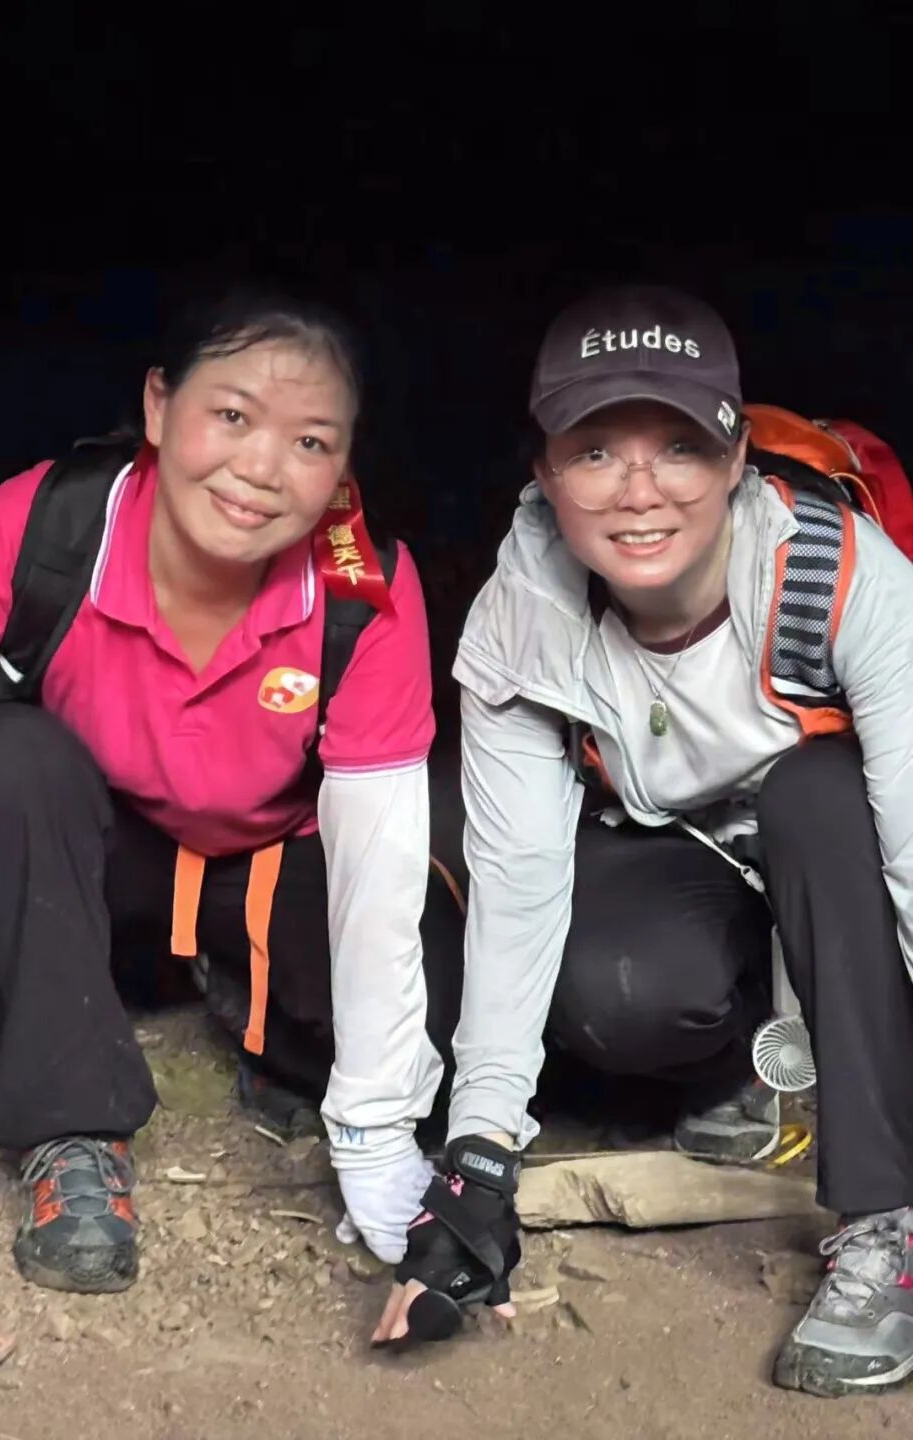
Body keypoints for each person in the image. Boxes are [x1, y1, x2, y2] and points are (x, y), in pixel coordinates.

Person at [0, 290, 464, 1294]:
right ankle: (74, 1129)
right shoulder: (52, 523)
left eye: (310, 441)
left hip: (272, 867)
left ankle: (244, 1007)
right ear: (160, 407)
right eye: (232, 416)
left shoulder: (362, 589)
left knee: (431, 1023)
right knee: (7, 755)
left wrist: (377, 1126)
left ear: (344, 464)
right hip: (102, 863)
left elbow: (381, 860)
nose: (261, 469)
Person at [374, 285, 913, 1400]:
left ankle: (885, 1224)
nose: (638, 492)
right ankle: (766, 1071)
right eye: (594, 452)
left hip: (847, 855)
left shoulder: (841, 572)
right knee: (614, 991)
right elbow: (519, 888)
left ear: (735, 458)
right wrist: (478, 1165)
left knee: (817, 795)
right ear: (544, 472)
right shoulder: (525, 616)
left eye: (678, 447)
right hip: (702, 863)